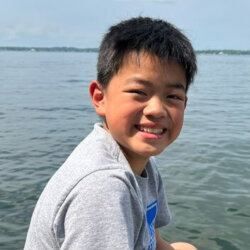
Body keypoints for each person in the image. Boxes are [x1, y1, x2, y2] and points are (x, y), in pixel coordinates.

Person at [24, 17, 197, 250]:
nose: (156, 109)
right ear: (100, 97)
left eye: (173, 96)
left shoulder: (143, 164)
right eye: (139, 92)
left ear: (184, 104)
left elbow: (154, 242)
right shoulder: (102, 187)